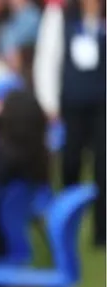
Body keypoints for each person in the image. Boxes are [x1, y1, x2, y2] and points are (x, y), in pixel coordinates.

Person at [34, 0, 105, 247]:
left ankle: (101, 231)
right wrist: (50, 103)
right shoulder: (60, 13)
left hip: (101, 104)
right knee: (70, 163)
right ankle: (67, 225)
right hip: (71, 104)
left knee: (103, 166)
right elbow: (48, 58)